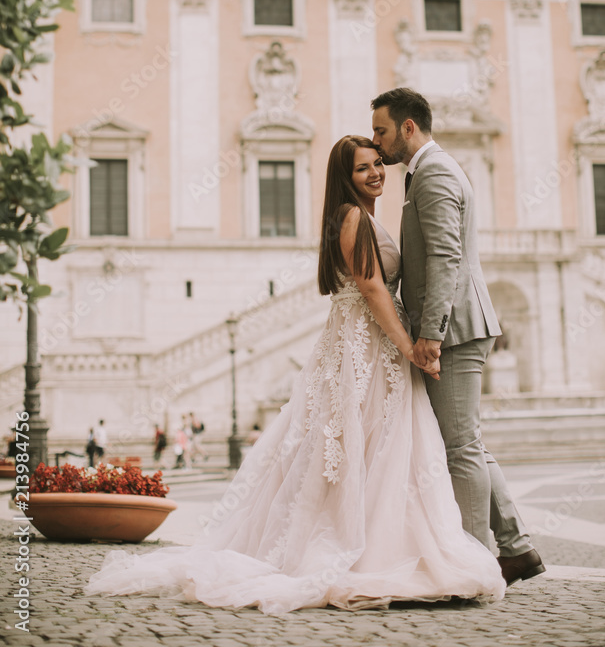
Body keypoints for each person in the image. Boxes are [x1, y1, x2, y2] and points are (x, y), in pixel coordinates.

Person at [86, 135, 505, 613]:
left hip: (366, 346)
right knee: (367, 445)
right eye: (362, 168)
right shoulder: (353, 218)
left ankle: (378, 540)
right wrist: (410, 347)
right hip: (367, 348)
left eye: (376, 164)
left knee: (369, 449)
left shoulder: (359, 216)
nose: (375, 173)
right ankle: (368, 547)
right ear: (344, 180)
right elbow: (371, 287)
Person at [371, 87, 545, 587]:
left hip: (456, 329)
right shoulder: (426, 173)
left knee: (461, 447)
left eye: (382, 130)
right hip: (459, 325)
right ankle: (515, 548)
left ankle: (477, 562)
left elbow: (447, 257)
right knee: (467, 442)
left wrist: (430, 334)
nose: (377, 141)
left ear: (408, 127)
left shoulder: (435, 172)